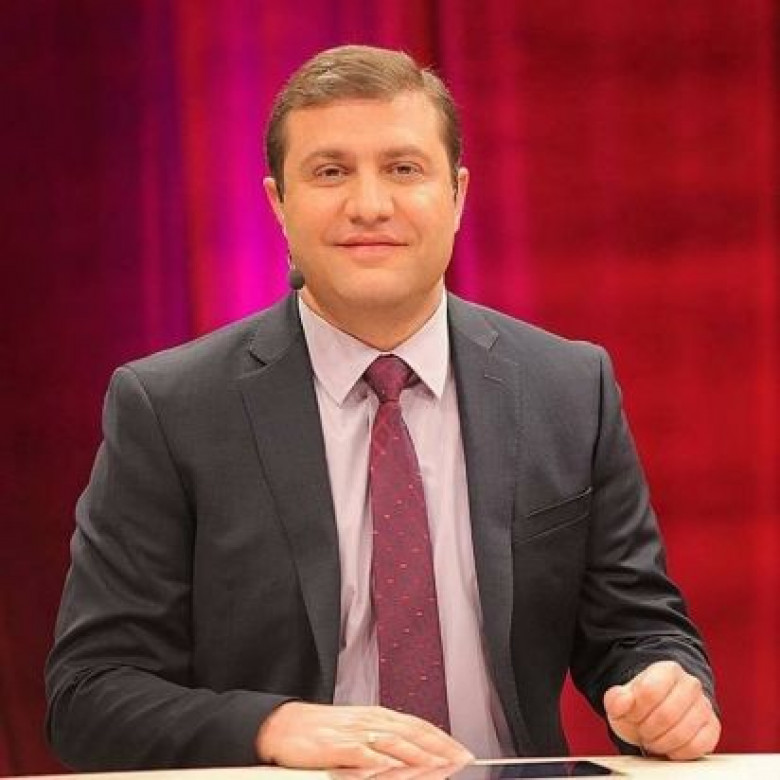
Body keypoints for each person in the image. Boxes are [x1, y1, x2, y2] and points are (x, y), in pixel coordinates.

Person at [45, 44, 720, 771]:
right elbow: (90, 694)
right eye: (330, 172)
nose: (369, 205)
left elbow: (638, 632)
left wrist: (663, 691)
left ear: (458, 195)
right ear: (278, 204)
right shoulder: (170, 409)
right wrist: (273, 727)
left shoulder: (569, 387)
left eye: (403, 169)